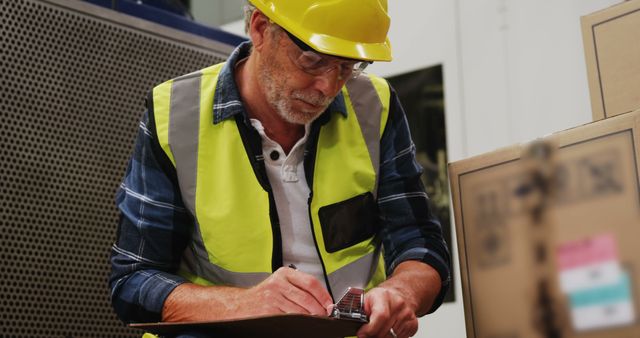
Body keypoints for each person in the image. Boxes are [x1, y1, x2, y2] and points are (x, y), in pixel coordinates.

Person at [110, 1, 451, 337]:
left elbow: (420, 245)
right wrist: (242, 305)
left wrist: (400, 294)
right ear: (260, 28)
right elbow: (134, 280)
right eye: (313, 61)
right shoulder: (176, 117)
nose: (328, 87)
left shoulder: (375, 108)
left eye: (348, 67)